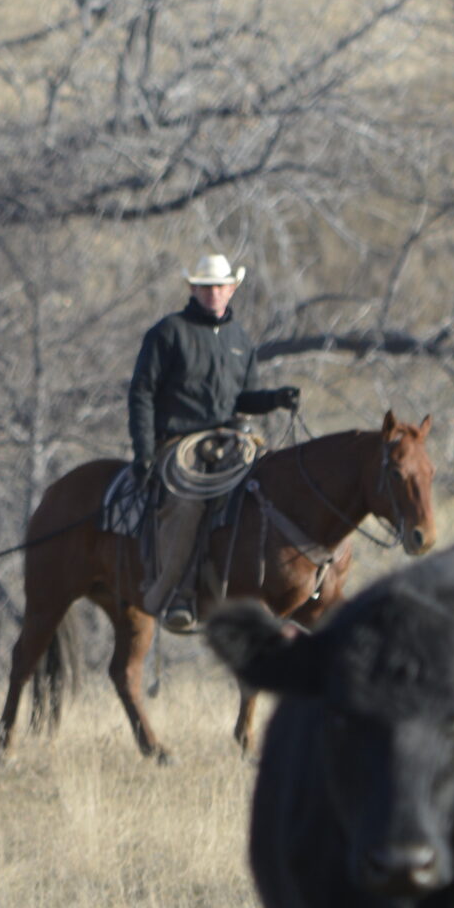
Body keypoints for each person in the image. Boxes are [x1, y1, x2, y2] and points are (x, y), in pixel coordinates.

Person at [127, 255, 300, 632]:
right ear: (193, 288)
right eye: (205, 287)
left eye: (220, 286)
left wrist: (274, 399)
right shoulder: (169, 332)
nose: (213, 293)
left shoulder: (240, 340)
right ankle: (177, 594)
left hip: (232, 439)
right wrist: (144, 452)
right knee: (188, 505)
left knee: (268, 489)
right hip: (178, 442)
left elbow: (243, 399)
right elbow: (142, 393)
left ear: (232, 288)